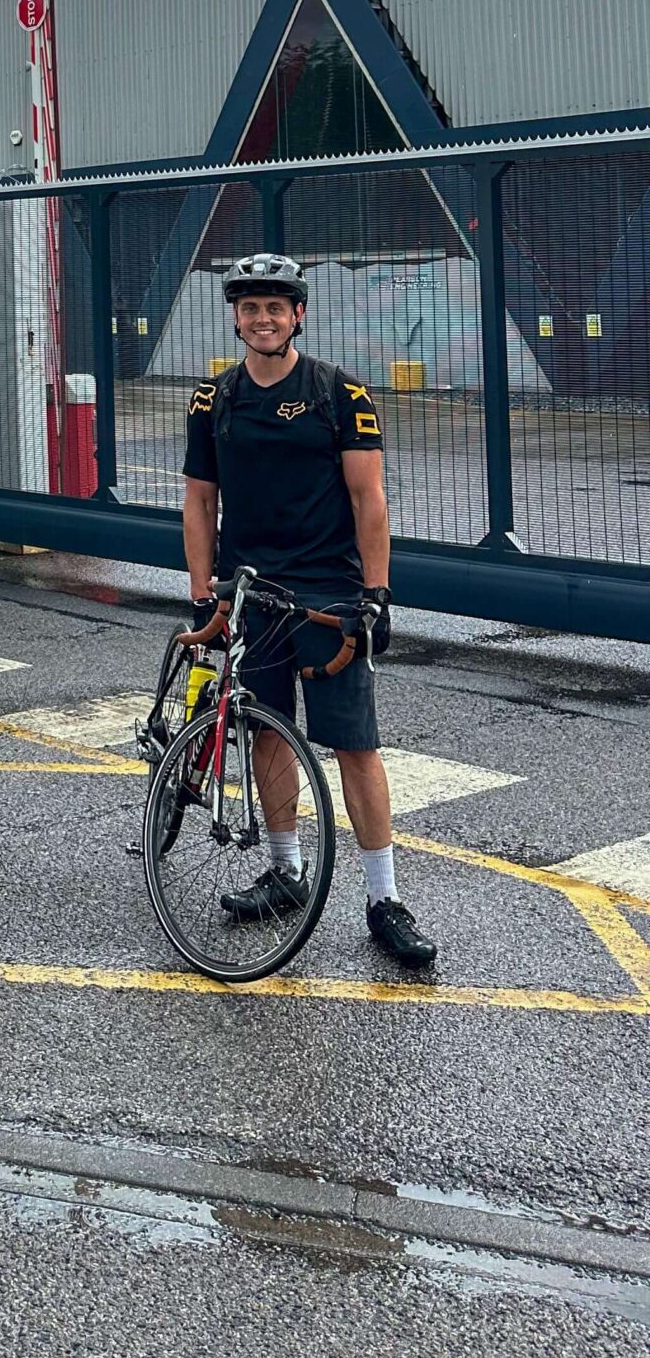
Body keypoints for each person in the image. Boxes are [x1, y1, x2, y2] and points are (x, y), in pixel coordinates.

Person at [181, 252, 437, 968]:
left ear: (299, 314)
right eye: (250, 307)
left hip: (326, 596)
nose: (263, 318)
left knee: (355, 746)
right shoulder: (214, 399)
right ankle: (286, 870)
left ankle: (385, 899)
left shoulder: (340, 394)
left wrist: (376, 594)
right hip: (251, 592)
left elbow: (369, 500)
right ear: (236, 317)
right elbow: (201, 501)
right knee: (267, 733)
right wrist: (206, 591)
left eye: (277, 307)